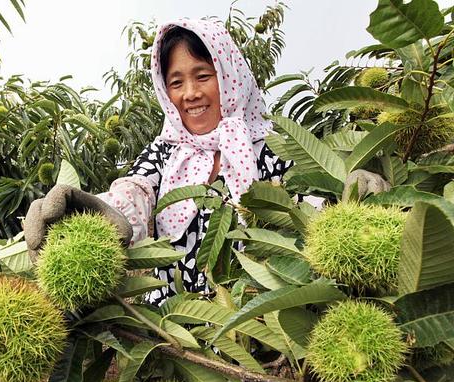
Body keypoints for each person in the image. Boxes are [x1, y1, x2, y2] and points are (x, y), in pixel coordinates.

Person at [23, 18, 388, 306]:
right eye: (176, 82)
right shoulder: (166, 151)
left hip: (257, 329)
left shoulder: (276, 149)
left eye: (202, 76)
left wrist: (348, 198)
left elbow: (304, 210)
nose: (190, 93)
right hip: (170, 328)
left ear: (230, 77)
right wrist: (98, 213)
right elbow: (134, 193)